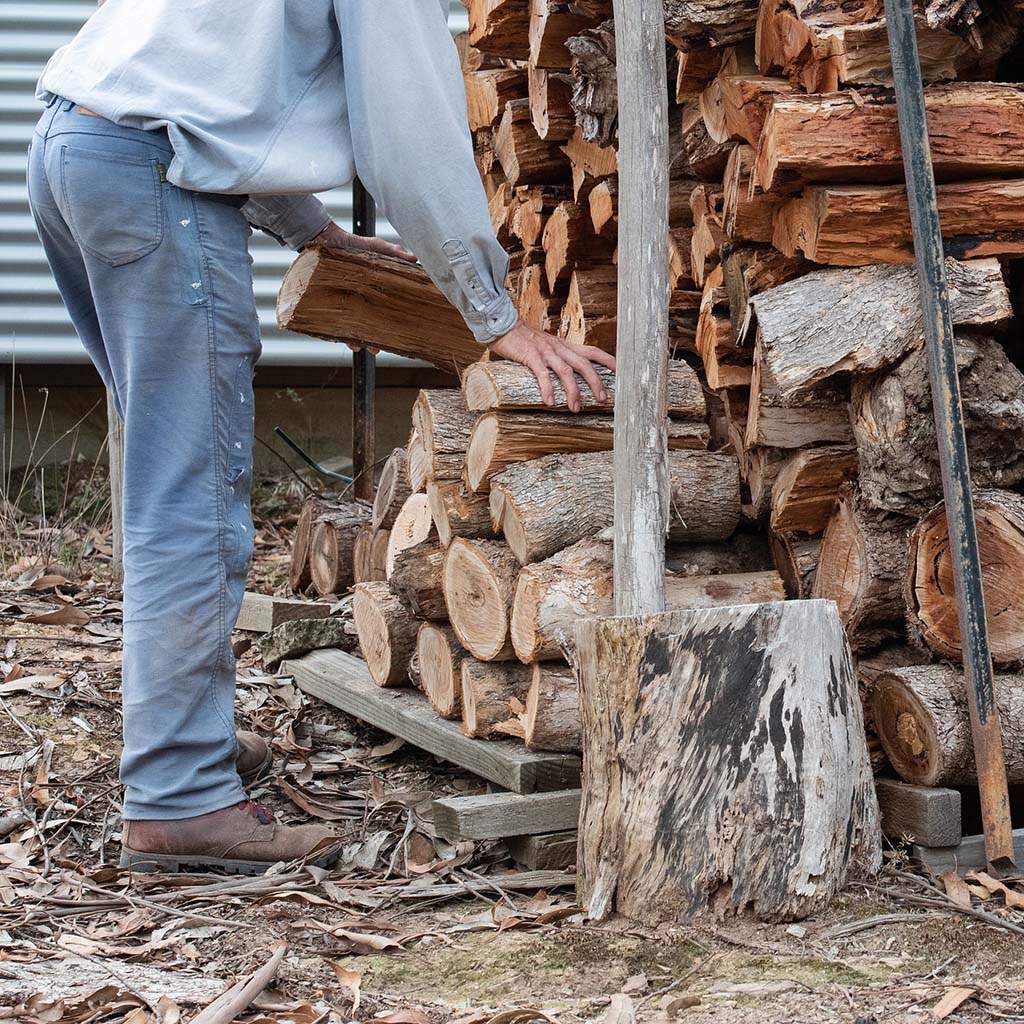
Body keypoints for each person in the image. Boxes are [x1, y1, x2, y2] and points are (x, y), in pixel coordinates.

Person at [28, 0, 615, 875]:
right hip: (151, 179)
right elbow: (409, 137)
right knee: (189, 498)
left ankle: (180, 742)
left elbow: (210, 88)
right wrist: (492, 315)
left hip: (73, 149)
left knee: (163, 483)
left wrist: (313, 230)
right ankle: (179, 799)